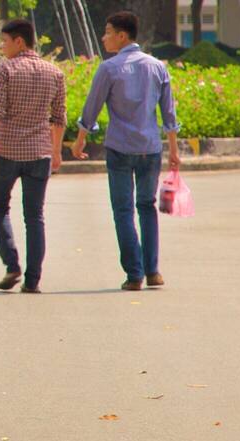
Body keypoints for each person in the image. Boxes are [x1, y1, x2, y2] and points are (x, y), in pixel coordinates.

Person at [72, 11, 184, 291]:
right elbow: (168, 112)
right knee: (147, 207)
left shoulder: (109, 68)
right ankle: (153, 271)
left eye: (108, 32)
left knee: (123, 210)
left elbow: (92, 107)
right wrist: (172, 148)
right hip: (150, 147)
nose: (104, 37)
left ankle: (134, 274)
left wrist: (81, 138)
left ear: (122, 36)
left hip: (120, 148)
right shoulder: (157, 66)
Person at [0, 19, 66, 294]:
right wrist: (57, 151)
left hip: (8, 152)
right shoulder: (54, 72)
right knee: (35, 216)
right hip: (40, 153)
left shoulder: (7, 69)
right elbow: (59, 117)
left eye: (4, 42)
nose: (2, 48)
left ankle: (12, 265)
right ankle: (33, 279)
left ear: (19, 42)